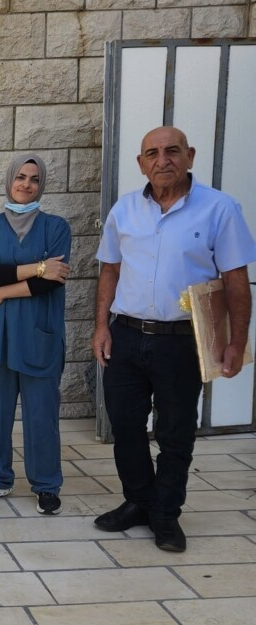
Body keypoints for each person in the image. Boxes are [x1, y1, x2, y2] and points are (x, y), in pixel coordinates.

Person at [92, 126, 255, 552]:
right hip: (126, 336)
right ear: (140, 163)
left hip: (182, 341)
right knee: (125, 425)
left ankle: (165, 513)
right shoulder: (125, 210)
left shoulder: (220, 209)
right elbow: (109, 270)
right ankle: (138, 501)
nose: (162, 160)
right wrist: (101, 326)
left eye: (172, 151)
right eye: (152, 153)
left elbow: (236, 281)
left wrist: (236, 342)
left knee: (175, 430)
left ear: (190, 156)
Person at [0, 154, 72, 515]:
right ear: (9, 180)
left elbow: (52, 282)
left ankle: (46, 484)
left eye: (34, 179)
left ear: (41, 185)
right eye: (21, 177)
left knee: (42, 413)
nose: (26, 184)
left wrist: (3, 292)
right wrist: (40, 266)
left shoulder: (56, 227)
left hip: (38, 334)